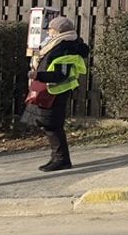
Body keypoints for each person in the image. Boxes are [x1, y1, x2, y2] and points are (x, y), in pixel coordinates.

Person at [21, 16, 88, 172]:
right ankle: (57, 157)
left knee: (53, 125)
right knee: (48, 125)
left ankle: (61, 159)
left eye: (51, 29)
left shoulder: (65, 47)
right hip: (49, 90)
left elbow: (61, 74)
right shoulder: (56, 44)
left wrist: (38, 76)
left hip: (55, 91)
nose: (48, 32)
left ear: (59, 31)